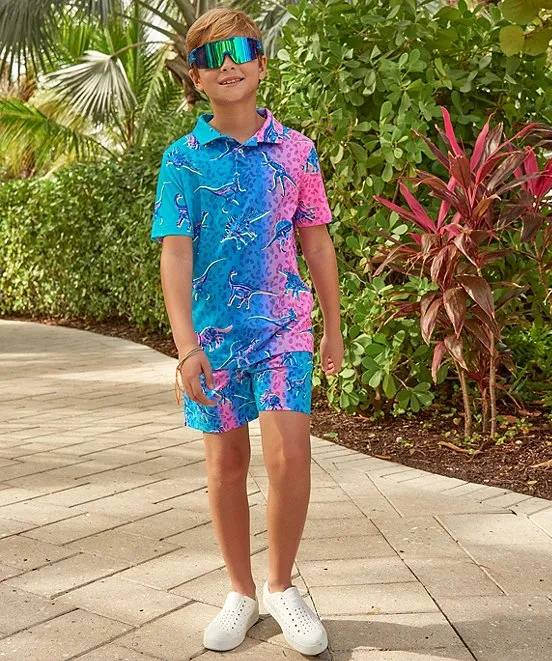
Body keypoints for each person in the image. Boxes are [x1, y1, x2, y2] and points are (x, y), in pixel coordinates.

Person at [150, 6, 343, 656]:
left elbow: (317, 244)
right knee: (227, 463)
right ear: (196, 78)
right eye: (210, 57)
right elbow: (175, 253)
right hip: (214, 339)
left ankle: (282, 585)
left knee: (291, 456)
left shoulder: (297, 150)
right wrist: (186, 347)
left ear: (260, 64)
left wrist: (333, 327)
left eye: (239, 52)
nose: (227, 65)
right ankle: (240, 592)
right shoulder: (182, 160)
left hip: (284, 327)